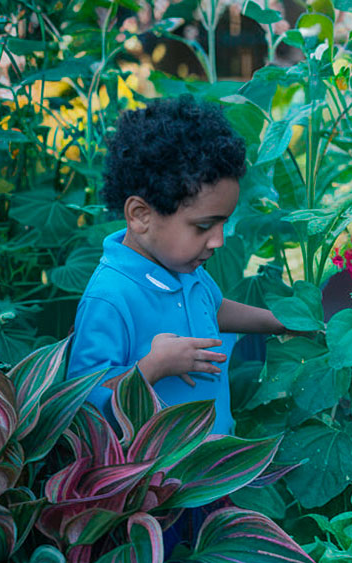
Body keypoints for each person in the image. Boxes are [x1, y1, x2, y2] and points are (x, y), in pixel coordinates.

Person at [68, 96, 287, 435]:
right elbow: (82, 405)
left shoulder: (185, 269)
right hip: (158, 479)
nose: (218, 241)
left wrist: (281, 323)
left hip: (211, 463)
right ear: (141, 216)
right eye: (203, 226)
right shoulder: (111, 298)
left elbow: (213, 308)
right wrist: (153, 367)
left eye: (223, 224)